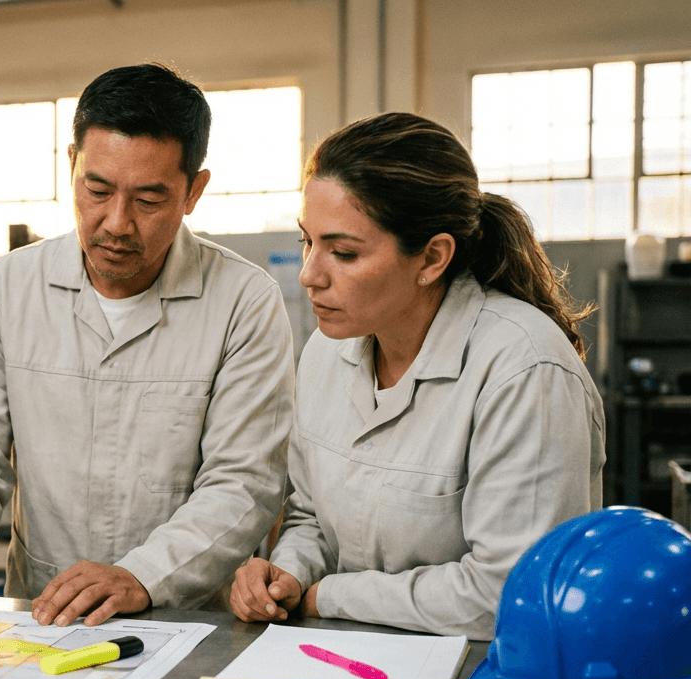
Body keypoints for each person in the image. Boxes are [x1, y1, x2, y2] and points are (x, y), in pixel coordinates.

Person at [0, 63, 295, 628]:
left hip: (188, 623)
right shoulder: (7, 288)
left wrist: (143, 575)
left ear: (194, 190)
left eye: (148, 200)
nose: (116, 223)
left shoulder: (244, 301)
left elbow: (243, 483)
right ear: (71, 165)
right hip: (38, 619)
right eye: (97, 189)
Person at [229, 112, 605, 640]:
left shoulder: (523, 369)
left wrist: (327, 596)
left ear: (431, 257)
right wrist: (288, 573)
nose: (311, 274)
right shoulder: (325, 352)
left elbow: (508, 592)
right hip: (348, 658)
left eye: (343, 252)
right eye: (306, 243)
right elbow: (310, 514)